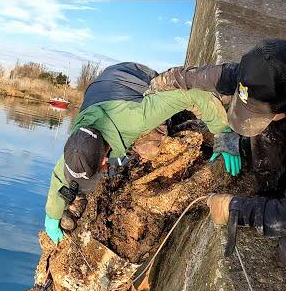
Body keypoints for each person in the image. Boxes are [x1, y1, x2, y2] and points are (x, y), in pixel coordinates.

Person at [44, 61, 232, 244]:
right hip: (102, 87)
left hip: (135, 77)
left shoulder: (137, 119)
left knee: (149, 148)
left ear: (103, 160)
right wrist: (52, 216)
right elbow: (60, 176)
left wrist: (223, 134)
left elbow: (192, 94)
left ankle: (173, 118)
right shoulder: (80, 142)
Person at [147, 38, 286, 195]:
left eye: (257, 113)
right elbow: (187, 77)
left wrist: (238, 209)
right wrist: (151, 94)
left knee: (271, 175)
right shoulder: (243, 75)